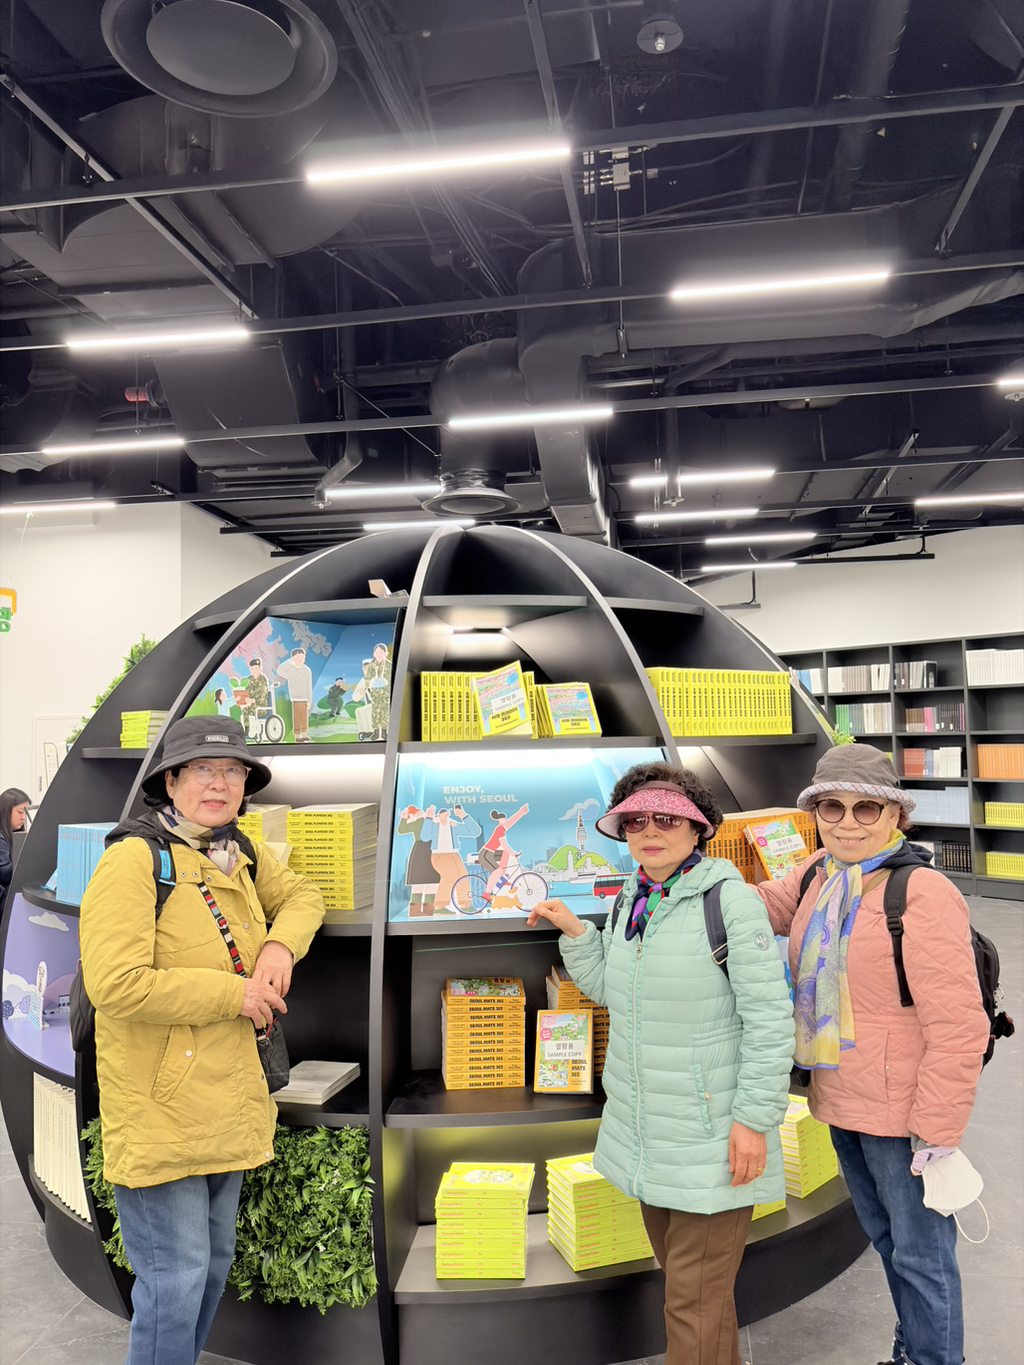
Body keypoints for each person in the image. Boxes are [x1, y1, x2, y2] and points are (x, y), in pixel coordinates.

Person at [527, 761, 794, 1365]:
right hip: (648, 1135)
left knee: (690, 1304)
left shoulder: (730, 902)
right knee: (698, 1298)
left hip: (712, 1137)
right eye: (636, 820)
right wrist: (575, 932)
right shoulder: (633, 897)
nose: (650, 831)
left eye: (668, 819)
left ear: (699, 827)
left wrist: (754, 1122)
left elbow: (771, 1022)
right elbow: (614, 991)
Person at [79, 717, 325, 1365]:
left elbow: (303, 894)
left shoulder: (237, 851)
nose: (220, 784)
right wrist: (234, 993)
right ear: (171, 782)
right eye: (203, 770)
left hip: (228, 1097)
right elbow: (115, 984)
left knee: (209, 1267)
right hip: (162, 1107)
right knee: (174, 1281)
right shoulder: (134, 859)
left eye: (233, 771)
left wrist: (279, 944)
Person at [754, 745, 990, 1365]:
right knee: (888, 1242)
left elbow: (960, 1025)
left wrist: (937, 1128)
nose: (848, 822)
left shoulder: (922, 892)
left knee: (921, 1257)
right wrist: (683, 878)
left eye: (867, 808)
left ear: (894, 815)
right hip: (840, 1095)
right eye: (831, 807)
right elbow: (760, 907)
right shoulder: (818, 873)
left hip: (904, 1115)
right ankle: (912, 1349)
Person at [0, 787, 31, 913]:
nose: (23, 817)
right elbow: (3, 874)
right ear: (6, 812)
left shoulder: (15, 835)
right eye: (20, 812)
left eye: (26, 812)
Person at [277, 647, 314, 743]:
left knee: (304, 717)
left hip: (305, 698)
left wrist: (309, 700)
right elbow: (280, 670)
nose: (301, 659)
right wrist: (290, 662)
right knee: (297, 717)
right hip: (295, 699)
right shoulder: (290, 670)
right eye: (298, 657)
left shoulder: (307, 670)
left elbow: (309, 685)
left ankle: (304, 734)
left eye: (303, 657)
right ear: (293, 658)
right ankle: (298, 735)